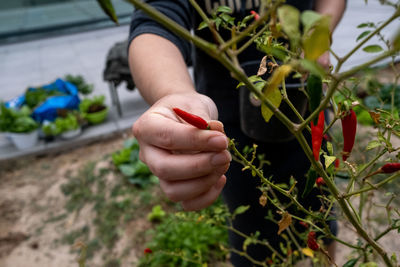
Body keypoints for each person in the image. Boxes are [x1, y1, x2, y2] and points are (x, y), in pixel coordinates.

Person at [128, 0, 346, 265]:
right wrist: (174, 94)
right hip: (226, 128)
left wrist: (317, 36)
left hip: (308, 109)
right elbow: (155, 18)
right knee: (252, 236)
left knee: (321, 219)